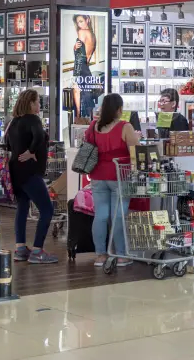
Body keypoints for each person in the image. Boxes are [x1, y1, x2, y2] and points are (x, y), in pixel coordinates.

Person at [89, 93, 140, 267]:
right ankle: (121, 255)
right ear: (119, 109)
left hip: (97, 175)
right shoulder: (125, 127)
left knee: (101, 215)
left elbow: (87, 147)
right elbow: (135, 152)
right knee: (118, 216)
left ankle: (100, 255)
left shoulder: (94, 126)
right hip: (120, 175)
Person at [5, 89, 56, 264]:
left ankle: (20, 249)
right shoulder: (33, 119)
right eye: (37, 102)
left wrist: (23, 150)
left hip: (15, 171)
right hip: (30, 172)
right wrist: (31, 151)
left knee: (22, 207)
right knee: (47, 210)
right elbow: (40, 136)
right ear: (31, 103)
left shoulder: (13, 122)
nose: (39, 105)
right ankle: (37, 250)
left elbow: (7, 145)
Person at [72, 14, 97, 119]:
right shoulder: (92, 35)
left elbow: (79, 56)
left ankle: (78, 118)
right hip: (86, 68)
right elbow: (86, 55)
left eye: (81, 21)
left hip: (80, 67)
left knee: (77, 91)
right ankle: (85, 120)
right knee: (86, 96)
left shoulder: (82, 32)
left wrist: (76, 74)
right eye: (78, 22)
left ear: (88, 20)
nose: (79, 24)